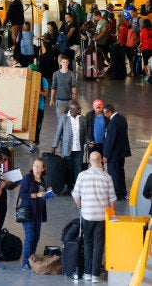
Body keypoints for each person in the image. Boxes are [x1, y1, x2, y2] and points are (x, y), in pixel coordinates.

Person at [72, 151, 117, 283]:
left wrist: (81, 206)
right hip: (102, 217)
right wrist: (111, 213)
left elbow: (75, 195)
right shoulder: (107, 177)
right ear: (101, 161)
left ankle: (87, 273)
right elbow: (112, 200)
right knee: (99, 245)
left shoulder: (82, 175)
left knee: (88, 243)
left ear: (90, 161)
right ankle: (95, 275)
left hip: (87, 215)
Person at [52, 100, 87, 194]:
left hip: (79, 149)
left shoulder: (83, 119)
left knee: (79, 169)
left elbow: (86, 132)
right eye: (78, 109)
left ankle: (78, 188)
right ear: (72, 110)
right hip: (68, 149)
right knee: (68, 169)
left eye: (80, 109)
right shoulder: (64, 118)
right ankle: (69, 188)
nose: (80, 110)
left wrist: (88, 142)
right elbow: (58, 132)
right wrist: (54, 146)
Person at [19, 158, 48, 270]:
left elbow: (42, 195)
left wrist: (47, 193)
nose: (35, 167)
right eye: (34, 165)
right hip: (28, 212)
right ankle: (26, 262)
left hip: (38, 212)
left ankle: (31, 258)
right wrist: (37, 195)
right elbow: (23, 195)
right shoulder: (27, 178)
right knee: (30, 236)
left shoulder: (42, 180)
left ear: (43, 169)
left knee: (36, 237)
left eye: (38, 166)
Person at [102, 104, 131, 201]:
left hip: (113, 154)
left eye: (105, 113)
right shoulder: (122, 119)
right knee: (120, 172)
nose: (105, 115)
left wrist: (106, 155)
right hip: (121, 152)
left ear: (110, 112)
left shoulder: (112, 123)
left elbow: (111, 140)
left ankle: (117, 194)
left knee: (114, 174)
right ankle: (122, 193)